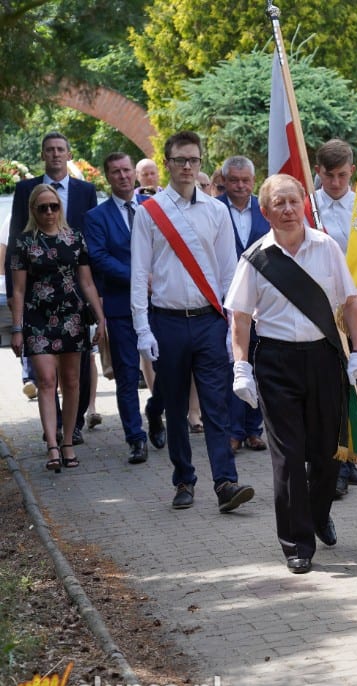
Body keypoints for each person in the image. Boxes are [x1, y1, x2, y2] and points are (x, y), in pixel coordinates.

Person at [225, 174, 357, 574]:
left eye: (293, 201)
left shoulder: (326, 247)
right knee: (287, 457)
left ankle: (318, 512)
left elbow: (352, 303)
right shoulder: (255, 258)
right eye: (279, 204)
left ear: (304, 202)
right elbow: (239, 318)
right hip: (276, 362)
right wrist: (241, 366)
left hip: (323, 358)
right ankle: (296, 543)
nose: (288, 210)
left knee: (326, 454)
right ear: (265, 211)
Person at [130, 130, 253, 513]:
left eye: (194, 160)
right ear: (167, 163)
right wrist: (142, 329)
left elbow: (229, 273)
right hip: (166, 320)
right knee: (179, 407)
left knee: (215, 404)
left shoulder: (216, 210)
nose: (187, 166)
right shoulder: (150, 212)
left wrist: (234, 323)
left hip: (208, 321)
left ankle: (225, 482)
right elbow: (138, 273)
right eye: (180, 160)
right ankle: (184, 478)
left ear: (201, 163)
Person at [7, 132, 100, 446]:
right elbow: (16, 239)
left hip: (74, 298)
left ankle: (73, 426)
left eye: (61, 149)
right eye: (50, 150)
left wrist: (96, 305)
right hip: (36, 299)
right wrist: (15, 310)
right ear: (43, 154)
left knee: (77, 375)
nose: (56, 154)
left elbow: (89, 245)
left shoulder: (86, 191)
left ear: (69, 153)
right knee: (46, 378)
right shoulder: (25, 190)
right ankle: (55, 431)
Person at [312, 138, 357, 496]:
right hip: (321, 309)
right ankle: (334, 466)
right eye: (329, 176)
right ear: (318, 172)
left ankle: (352, 457)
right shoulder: (310, 209)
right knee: (331, 389)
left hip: (355, 307)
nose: (336, 183)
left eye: (342, 175)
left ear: (352, 171)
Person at [84, 152, 152, 464]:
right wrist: (139, 277)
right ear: (107, 177)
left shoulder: (154, 209)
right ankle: (135, 438)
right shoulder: (96, 217)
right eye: (116, 172)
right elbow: (98, 257)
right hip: (121, 304)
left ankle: (157, 409)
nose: (123, 176)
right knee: (126, 373)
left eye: (126, 170)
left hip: (159, 303)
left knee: (167, 369)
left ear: (134, 174)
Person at [216, 155, 269, 454]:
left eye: (245, 180)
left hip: (262, 299)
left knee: (259, 363)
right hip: (226, 299)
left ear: (253, 180)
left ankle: (254, 429)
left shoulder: (264, 210)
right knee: (235, 364)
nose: (239, 186)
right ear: (224, 181)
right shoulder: (213, 209)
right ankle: (233, 431)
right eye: (233, 180)